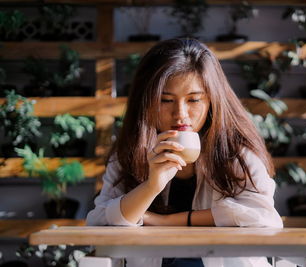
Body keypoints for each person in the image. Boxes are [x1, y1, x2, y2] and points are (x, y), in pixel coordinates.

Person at [86, 38, 283, 267]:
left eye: (194, 100)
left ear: (212, 100)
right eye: (166, 100)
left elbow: (263, 216)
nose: (180, 114)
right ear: (145, 102)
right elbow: (99, 223)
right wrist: (151, 186)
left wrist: (165, 221)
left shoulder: (235, 152)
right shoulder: (131, 152)